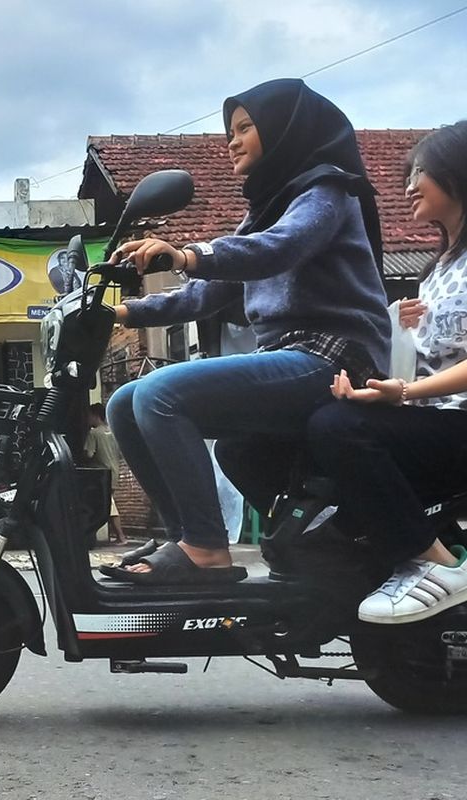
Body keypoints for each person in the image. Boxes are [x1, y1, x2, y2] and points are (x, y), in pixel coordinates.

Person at [103, 78, 390, 584]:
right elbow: (208, 294)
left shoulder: (326, 190)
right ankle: (185, 538)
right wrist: (124, 314)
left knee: (159, 395)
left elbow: (281, 247)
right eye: (228, 130)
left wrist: (189, 253)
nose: (231, 141)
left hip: (337, 357)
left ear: (284, 130)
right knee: (124, 402)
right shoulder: (265, 211)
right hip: (291, 357)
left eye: (244, 127)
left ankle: (206, 549)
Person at [308, 121, 467, 624]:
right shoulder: (439, 267)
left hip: (457, 422)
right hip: (432, 418)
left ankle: (437, 564)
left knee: (337, 428)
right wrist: (396, 345)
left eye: (419, 171)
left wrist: (404, 391)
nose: (408, 186)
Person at [84, 402, 127, 545]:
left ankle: (121, 537)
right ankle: (119, 536)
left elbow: (89, 454)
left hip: (101, 474)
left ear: (95, 416)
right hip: (114, 472)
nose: (87, 419)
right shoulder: (113, 431)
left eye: (89, 416)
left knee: (109, 505)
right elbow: (120, 454)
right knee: (108, 502)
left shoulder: (93, 433)